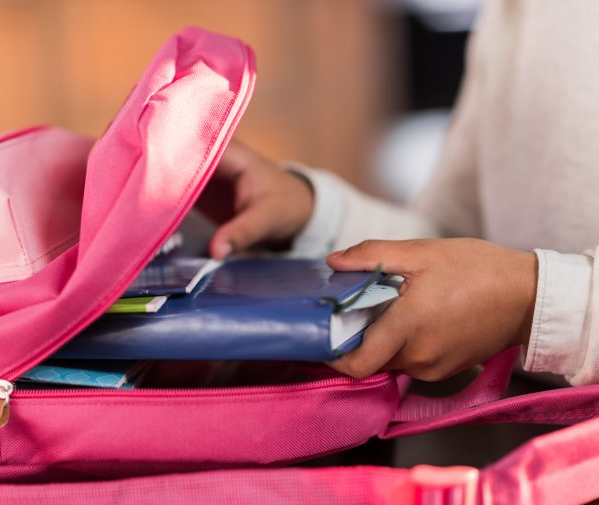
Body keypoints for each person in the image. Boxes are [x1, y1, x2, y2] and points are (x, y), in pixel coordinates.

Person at [204, 0, 599, 386]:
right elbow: (456, 240)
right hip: (513, 429)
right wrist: (312, 214)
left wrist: (529, 302)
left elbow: (498, 283)